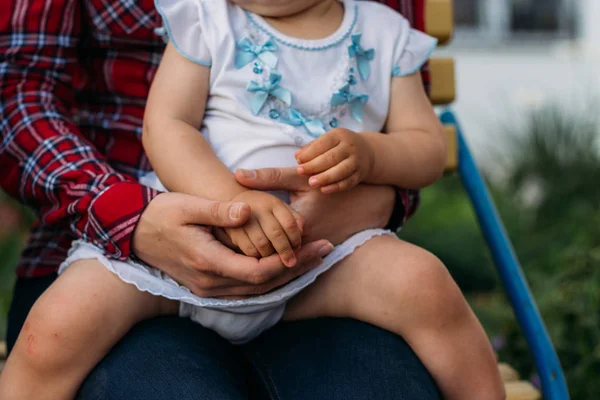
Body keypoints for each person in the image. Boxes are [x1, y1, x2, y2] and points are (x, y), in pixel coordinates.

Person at [0, 0, 505, 399]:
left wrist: (372, 155)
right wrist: (228, 200)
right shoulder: (205, 17)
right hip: (174, 254)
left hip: (319, 260)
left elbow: (425, 147)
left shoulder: (385, 32)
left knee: (424, 284)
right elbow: (167, 126)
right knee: (59, 325)